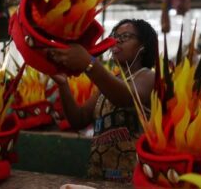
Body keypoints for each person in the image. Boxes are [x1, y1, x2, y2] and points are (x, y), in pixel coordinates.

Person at [47, 19, 158, 182]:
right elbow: (79, 119)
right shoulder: (110, 83)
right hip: (98, 176)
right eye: (114, 35)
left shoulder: (149, 77)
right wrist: (63, 84)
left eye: (125, 36)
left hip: (131, 180)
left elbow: (126, 97)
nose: (117, 40)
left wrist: (89, 63)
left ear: (143, 47)